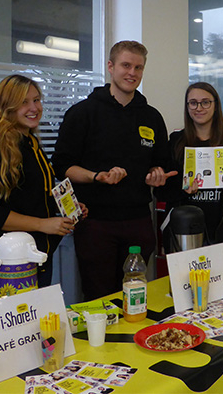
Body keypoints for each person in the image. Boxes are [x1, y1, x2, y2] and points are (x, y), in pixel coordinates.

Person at [52, 40, 176, 301]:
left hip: (140, 221)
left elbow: (161, 163)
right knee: (99, 297)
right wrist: (97, 176)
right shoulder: (82, 113)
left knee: (137, 296)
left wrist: (157, 173)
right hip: (95, 224)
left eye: (139, 67)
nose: (132, 73)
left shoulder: (152, 116)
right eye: (126, 65)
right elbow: (62, 167)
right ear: (110, 67)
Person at [0, 75, 86, 301]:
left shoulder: (31, 144)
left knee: (36, 330)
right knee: (14, 332)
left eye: (37, 100)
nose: (34, 108)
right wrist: (44, 225)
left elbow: (31, 196)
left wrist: (66, 208)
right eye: (24, 102)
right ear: (7, 107)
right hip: (7, 261)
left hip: (38, 256)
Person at [155, 82, 223, 248]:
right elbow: (162, 191)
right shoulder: (176, 141)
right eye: (193, 103)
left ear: (215, 105)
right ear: (187, 107)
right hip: (184, 230)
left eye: (205, 102)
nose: (199, 108)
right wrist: (183, 189)